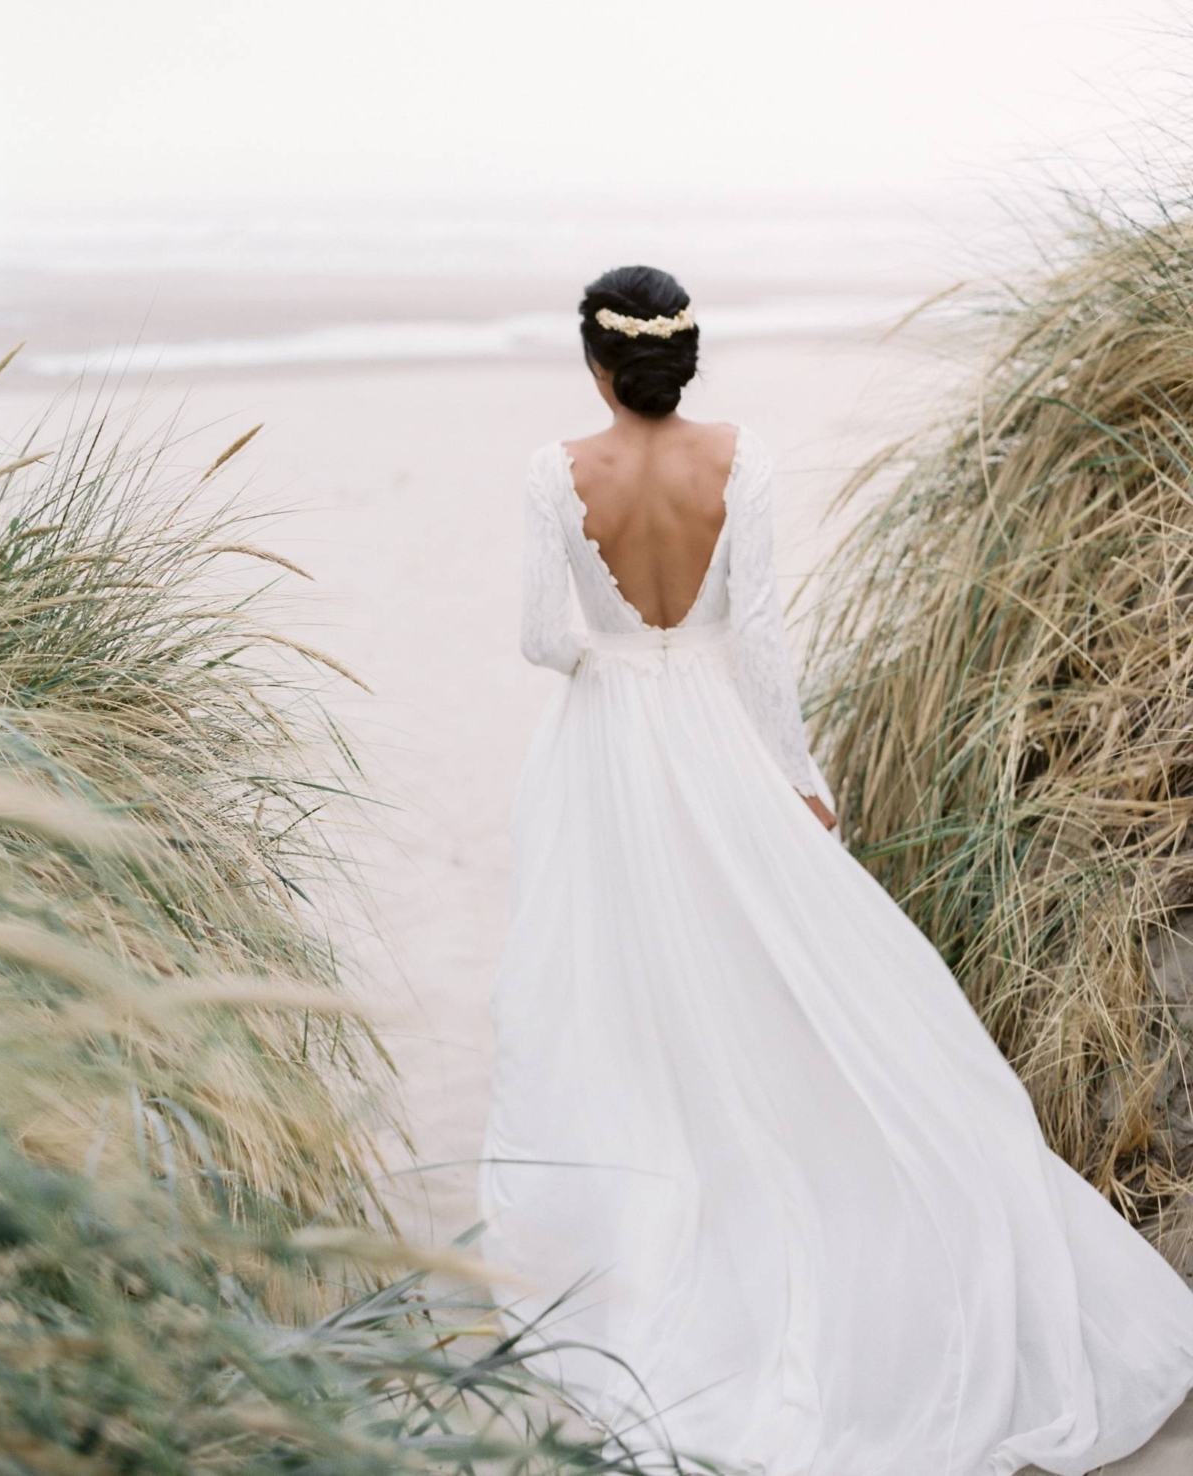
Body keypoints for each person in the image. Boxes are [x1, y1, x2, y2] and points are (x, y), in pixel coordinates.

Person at [477, 264, 1193, 1476]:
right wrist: (799, 774)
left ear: (597, 365)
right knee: (778, 972)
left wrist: (618, 652)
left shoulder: (558, 472)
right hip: (720, 738)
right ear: (682, 360)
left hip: (610, 756)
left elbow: (543, 639)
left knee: (624, 995)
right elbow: (763, 642)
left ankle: (659, 1221)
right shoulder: (739, 463)